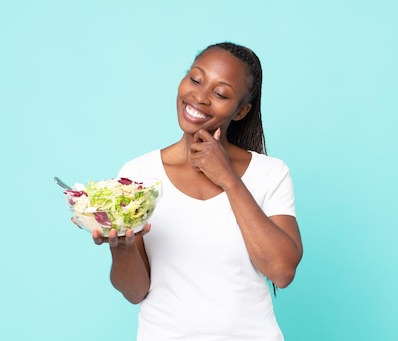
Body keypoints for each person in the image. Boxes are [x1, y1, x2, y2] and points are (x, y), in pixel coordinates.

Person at [88, 42, 302, 340]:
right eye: (196, 79)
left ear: (241, 111)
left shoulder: (270, 173)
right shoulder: (138, 175)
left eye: (220, 93)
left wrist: (228, 178)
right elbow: (135, 292)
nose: (199, 97)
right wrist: (122, 249)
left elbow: (282, 271)